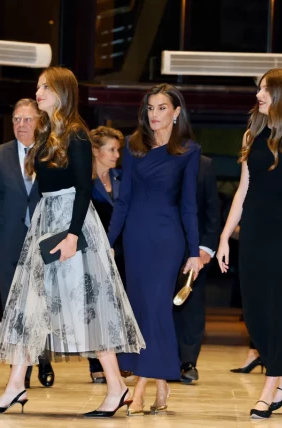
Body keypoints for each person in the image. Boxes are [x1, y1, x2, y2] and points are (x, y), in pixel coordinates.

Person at [0, 67, 145, 418]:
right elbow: (42, 188)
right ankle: (16, 384)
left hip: (72, 223)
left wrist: (71, 236)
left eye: (44, 87)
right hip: (46, 221)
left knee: (86, 305)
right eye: (37, 87)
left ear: (61, 92)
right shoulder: (46, 133)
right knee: (29, 305)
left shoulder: (76, 134)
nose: (38, 92)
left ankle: (116, 386)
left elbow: (84, 188)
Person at [216, 68, 282, 419]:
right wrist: (225, 235)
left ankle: (271, 386)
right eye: (259, 89)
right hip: (256, 233)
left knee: (280, 311)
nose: (258, 95)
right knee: (256, 311)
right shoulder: (253, 133)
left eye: (265, 90)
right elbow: (243, 190)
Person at [107, 83, 203, 415]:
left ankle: (141, 386)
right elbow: (123, 200)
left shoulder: (189, 150)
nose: (155, 115)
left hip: (167, 239)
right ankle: (162, 382)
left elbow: (189, 205)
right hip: (136, 237)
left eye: (162, 108)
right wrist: (108, 242)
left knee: (158, 308)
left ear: (177, 112)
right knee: (142, 310)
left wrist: (194, 251)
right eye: (150, 108)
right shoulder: (134, 146)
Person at [0, 98, 53, 389]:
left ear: (39, 122)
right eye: (16, 120)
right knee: (15, 306)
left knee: (41, 304)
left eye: (27, 119)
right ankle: (21, 369)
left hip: (43, 243)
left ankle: (42, 356)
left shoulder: (50, 153)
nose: (21, 125)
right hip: (7, 243)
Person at [173, 154, 221, 384]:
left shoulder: (204, 164)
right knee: (157, 303)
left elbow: (213, 208)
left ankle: (188, 362)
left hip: (195, 249)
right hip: (160, 244)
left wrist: (207, 248)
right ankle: (164, 360)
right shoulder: (152, 158)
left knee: (191, 306)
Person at [86, 125, 125, 384]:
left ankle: (117, 359)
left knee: (119, 306)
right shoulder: (84, 182)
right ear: (96, 152)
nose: (116, 155)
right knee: (94, 306)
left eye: (118, 150)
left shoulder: (122, 178)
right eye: (111, 150)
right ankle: (96, 363)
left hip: (121, 251)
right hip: (92, 251)